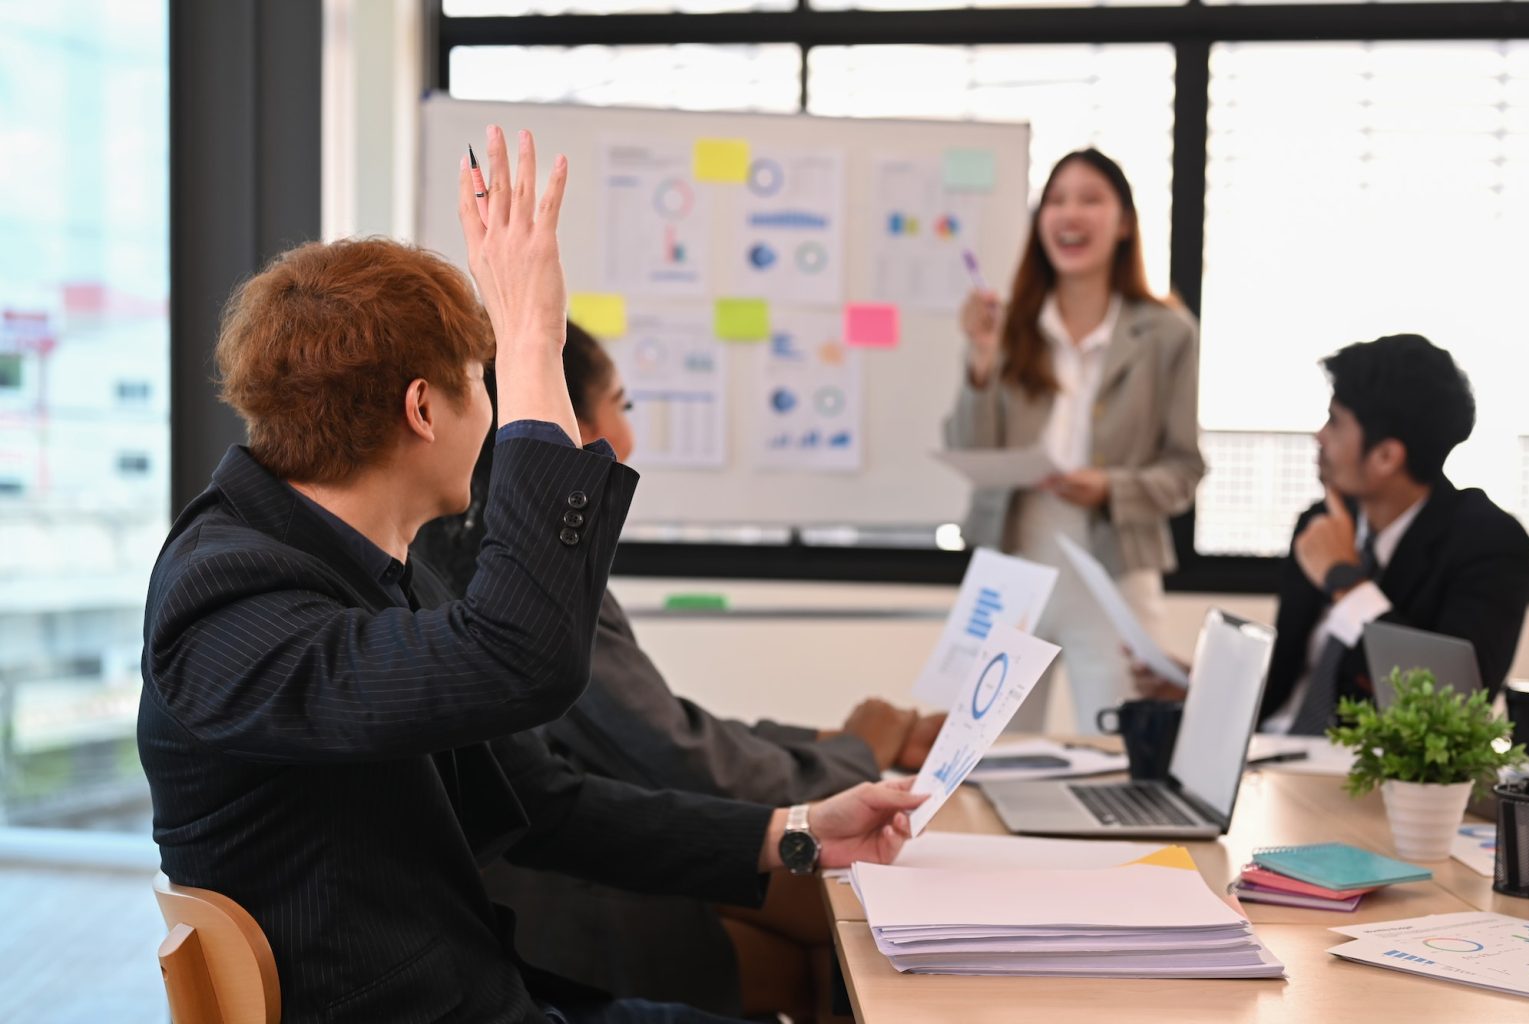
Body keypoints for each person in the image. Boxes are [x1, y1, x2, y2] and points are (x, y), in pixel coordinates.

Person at [137, 126, 924, 1024]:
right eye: (486, 381)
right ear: (425, 408)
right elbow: (525, 659)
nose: (502, 406)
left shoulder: (361, 570)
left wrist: (796, 834)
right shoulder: (228, 597)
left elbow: (543, 806)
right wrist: (531, 335)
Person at [414, 321, 944, 1020]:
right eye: (624, 405)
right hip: (568, 888)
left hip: (589, 850)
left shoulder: (472, 540)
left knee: (835, 922)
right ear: (563, 419)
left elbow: (658, 723)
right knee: (834, 934)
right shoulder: (515, 567)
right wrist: (856, 752)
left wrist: (827, 744)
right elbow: (663, 748)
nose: (627, 439)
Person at [1134, 334, 1529, 736]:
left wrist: (1345, 581)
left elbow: (1453, 707)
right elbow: (1291, 680)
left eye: (1335, 421)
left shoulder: (1490, 545)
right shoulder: (1318, 522)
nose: (1319, 436)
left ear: (1386, 457)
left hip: (1366, 772)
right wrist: (1200, 686)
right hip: (1271, 754)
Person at [944, 148, 1205, 732]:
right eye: (1057, 200)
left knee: (1117, 751)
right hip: (1013, 561)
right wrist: (982, 359)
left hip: (1114, 571)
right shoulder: (1008, 326)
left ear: (1125, 222)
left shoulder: (1166, 333)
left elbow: (1184, 470)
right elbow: (971, 448)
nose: (1071, 213)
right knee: (983, 753)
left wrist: (1110, 487)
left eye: (1091, 199)